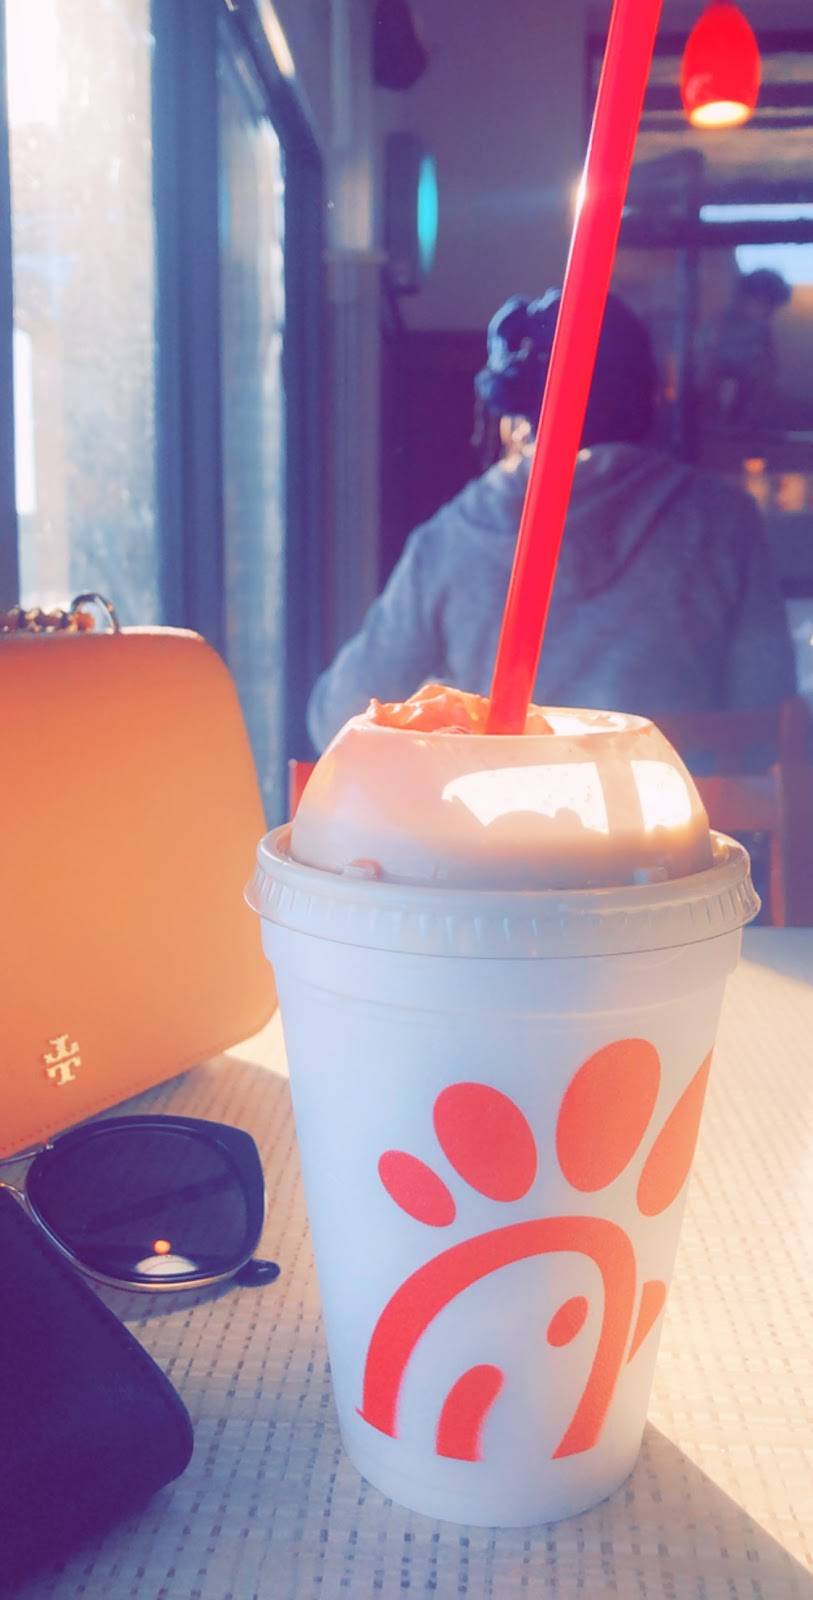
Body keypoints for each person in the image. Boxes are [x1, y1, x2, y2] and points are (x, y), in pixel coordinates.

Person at [307, 290, 796, 756]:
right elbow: (770, 721)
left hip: (506, 816)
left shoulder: (453, 539)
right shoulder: (725, 522)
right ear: (650, 396)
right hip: (678, 814)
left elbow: (336, 719)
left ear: (514, 415)